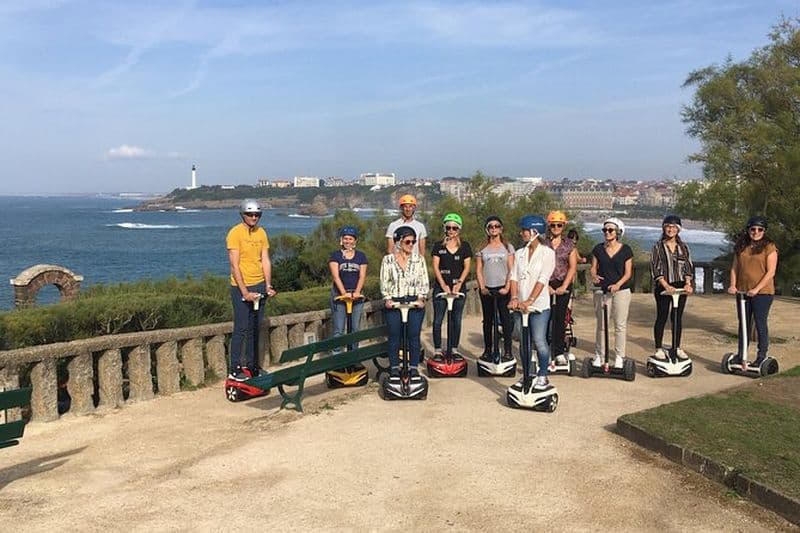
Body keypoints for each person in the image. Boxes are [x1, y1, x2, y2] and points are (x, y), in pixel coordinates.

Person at [226, 199, 276, 380]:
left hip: (259, 284)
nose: (254, 217)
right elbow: (234, 265)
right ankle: (235, 368)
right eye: (250, 214)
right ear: (243, 215)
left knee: (255, 327)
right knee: (241, 328)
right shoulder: (235, 233)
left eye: (257, 215)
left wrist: (268, 285)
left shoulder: (261, 233)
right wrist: (244, 292)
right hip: (241, 286)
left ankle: (252, 365)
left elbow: (265, 260)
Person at [509, 215, 555, 390]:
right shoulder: (520, 253)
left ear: (535, 232)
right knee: (523, 341)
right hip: (520, 305)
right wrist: (514, 298)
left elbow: (543, 279)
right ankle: (527, 373)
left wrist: (530, 300)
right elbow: (513, 276)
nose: (521, 233)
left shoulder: (548, 253)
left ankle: (543, 374)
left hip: (539, 305)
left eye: (524, 230)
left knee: (539, 340)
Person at [727, 216, 779, 365]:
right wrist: (732, 285)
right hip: (743, 292)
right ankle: (741, 354)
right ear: (748, 230)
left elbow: (771, 272)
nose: (756, 232)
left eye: (759, 229)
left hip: (763, 293)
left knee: (760, 322)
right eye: (753, 229)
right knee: (743, 324)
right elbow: (735, 267)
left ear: (764, 231)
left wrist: (756, 289)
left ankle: (761, 356)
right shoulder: (742, 246)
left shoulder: (769, 247)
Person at [380, 226, 430, 378]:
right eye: (408, 241)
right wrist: (387, 298)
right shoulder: (388, 260)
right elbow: (384, 281)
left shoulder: (419, 260)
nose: (411, 245)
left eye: (413, 242)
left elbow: (424, 280)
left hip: (414, 302)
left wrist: (421, 298)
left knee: (413, 335)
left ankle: (413, 368)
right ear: (398, 242)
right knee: (394, 336)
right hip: (395, 303)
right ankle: (394, 367)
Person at [590, 217, 634, 369]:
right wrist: (594, 276)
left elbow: (628, 273)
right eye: (605, 230)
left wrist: (618, 284)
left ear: (618, 232)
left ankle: (620, 357)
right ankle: (599, 355)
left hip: (621, 291)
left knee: (620, 325)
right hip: (601, 291)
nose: (607, 233)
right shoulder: (598, 249)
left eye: (610, 230)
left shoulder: (626, 250)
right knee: (601, 325)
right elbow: (593, 268)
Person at [650, 214, 694, 361]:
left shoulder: (683, 247)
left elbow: (688, 267)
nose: (670, 229)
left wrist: (688, 284)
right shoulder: (657, 247)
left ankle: (676, 346)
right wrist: (666, 285)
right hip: (663, 286)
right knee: (662, 317)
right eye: (668, 226)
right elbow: (655, 268)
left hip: (680, 286)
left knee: (677, 317)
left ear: (678, 230)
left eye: (674, 227)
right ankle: (658, 348)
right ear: (664, 228)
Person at [431, 213, 472, 358]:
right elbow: (435, 267)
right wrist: (443, 285)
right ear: (445, 228)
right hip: (441, 288)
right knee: (437, 320)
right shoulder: (438, 246)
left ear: (459, 230)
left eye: (454, 228)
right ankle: (437, 350)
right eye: (448, 228)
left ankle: (454, 349)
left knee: (456, 320)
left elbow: (467, 267)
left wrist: (459, 283)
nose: (451, 231)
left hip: (458, 289)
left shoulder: (465, 246)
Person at [476, 215, 515, 361]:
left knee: (505, 320)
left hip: (503, 289)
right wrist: (482, 287)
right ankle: (487, 350)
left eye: (496, 226)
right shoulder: (482, 248)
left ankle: (508, 351)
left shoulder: (508, 247)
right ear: (487, 229)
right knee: (488, 321)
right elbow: (479, 269)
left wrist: (507, 286)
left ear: (501, 229)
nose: (494, 229)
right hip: (487, 289)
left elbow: (512, 268)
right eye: (491, 226)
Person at [544, 210, 578, 364]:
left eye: (559, 225)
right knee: (544, 318)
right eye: (553, 225)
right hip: (545, 283)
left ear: (563, 226)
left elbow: (572, 267)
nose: (556, 227)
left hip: (563, 283)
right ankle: (543, 350)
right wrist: (545, 286)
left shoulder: (569, 244)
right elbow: (538, 266)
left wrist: (564, 285)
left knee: (560, 319)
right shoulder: (542, 243)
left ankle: (558, 351)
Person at [328, 226, 368, 349]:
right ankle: (337, 358)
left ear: (355, 241)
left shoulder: (361, 256)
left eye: (351, 239)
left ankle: (353, 356)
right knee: (339, 329)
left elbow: (362, 276)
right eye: (345, 239)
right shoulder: (335, 256)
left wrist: (356, 292)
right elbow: (336, 277)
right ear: (341, 240)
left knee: (355, 328)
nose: (348, 241)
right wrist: (343, 293)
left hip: (356, 297)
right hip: (339, 295)